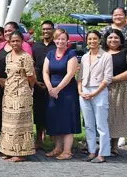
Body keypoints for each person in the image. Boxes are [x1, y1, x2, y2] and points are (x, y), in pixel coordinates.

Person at [43, 29, 80, 161]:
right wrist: (50, 88)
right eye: (58, 39)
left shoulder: (71, 54)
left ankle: (67, 151)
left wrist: (57, 89)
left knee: (67, 121)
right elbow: (45, 72)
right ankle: (57, 148)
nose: (60, 41)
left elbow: (70, 74)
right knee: (55, 120)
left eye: (63, 39)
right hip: (52, 91)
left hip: (67, 91)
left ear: (67, 41)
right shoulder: (51, 53)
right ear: (54, 40)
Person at [0, 31, 36, 162]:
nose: (15, 43)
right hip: (9, 93)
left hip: (22, 94)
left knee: (19, 124)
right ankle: (8, 150)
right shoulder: (8, 56)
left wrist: (27, 88)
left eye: (17, 41)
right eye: (12, 41)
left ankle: (21, 153)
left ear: (22, 42)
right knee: (8, 124)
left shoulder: (26, 57)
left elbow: (31, 77)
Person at [78, 31, 113, 163]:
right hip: (85, 92)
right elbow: (80, 77)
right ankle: (92, 151)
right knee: (88, 124)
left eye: (95, 39)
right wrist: (80, 92)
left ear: (99, 40)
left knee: (101, 124)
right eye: (90, 39)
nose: (92, 41)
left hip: (99, 91)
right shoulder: (85, 57)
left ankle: (103, 153)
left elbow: (107, 78)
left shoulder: (106, 56)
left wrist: (94, 93)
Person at [103, 29, 127, 156]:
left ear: (121, 40)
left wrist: (113, 79)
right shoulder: (101, 53)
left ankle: (114, 146)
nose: (113, 40)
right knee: (103, 117)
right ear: (106, 40)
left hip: (121, 88)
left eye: (116, 38)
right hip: (102, 88)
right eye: (110, 38)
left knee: (117, 116)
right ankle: (101, 144)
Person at [100, 7, 127, 101]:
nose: (118, 17)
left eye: (120, 15)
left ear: (125, 16)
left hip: (125, 65)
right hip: (106, 64)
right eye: (115, 15)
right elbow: (99, 48)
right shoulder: (104, 30)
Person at [32, 20, 55, 149]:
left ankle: (53, 136)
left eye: (48, 29)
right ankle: (39, 138)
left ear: (53, 30)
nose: (46, 31)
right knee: (38, 111)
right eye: (44, 29)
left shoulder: (56, 46)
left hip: (54, 83)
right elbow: (32, 64)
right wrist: (35, 81)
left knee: (53, 110)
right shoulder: (36, 46)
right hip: (38, 83)